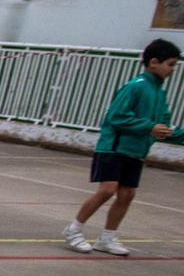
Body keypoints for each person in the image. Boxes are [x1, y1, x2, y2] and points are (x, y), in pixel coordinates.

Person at [64, 38, 177, 255]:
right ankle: (74, 230)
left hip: (136, 151)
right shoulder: (135, 86)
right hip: (114, 147)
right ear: (153, 62)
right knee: (107, 190)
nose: (172, 70)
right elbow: (115, 117)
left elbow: (164, 126)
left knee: (127, 195)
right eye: (170, 64)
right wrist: (149, 126)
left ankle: (107, 238)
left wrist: (166, 132)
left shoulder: (160, 94)